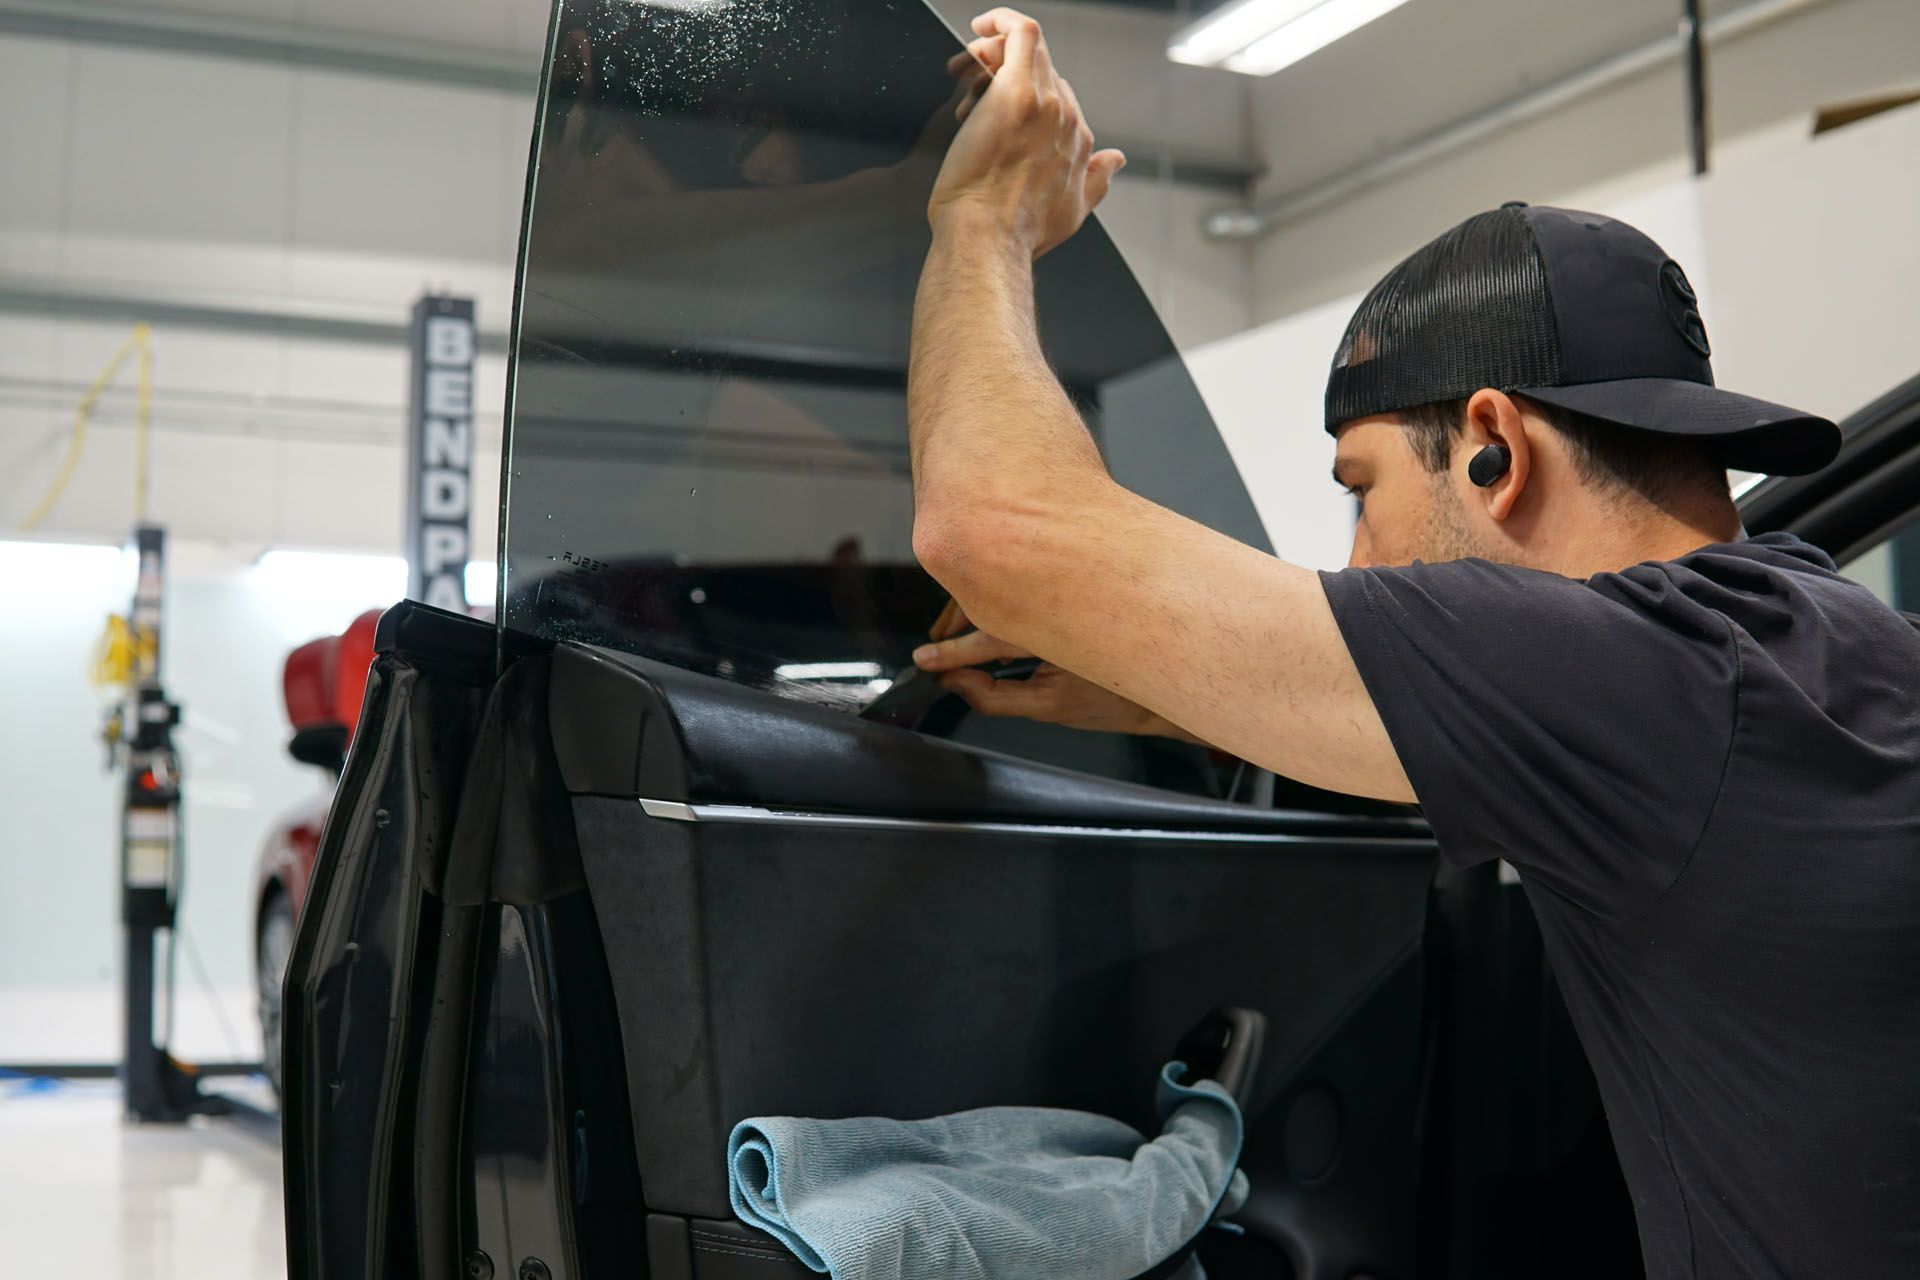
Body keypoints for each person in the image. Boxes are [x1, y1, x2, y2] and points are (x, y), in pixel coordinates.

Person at [903, 9, 1920, 1277]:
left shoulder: (1638, 676)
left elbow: (987, 525)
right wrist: (1162, 681)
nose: (1356, 561)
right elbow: (1457, 738)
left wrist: (984, 221)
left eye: (1362, 489)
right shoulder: (1821, 640)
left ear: (1496, 448)